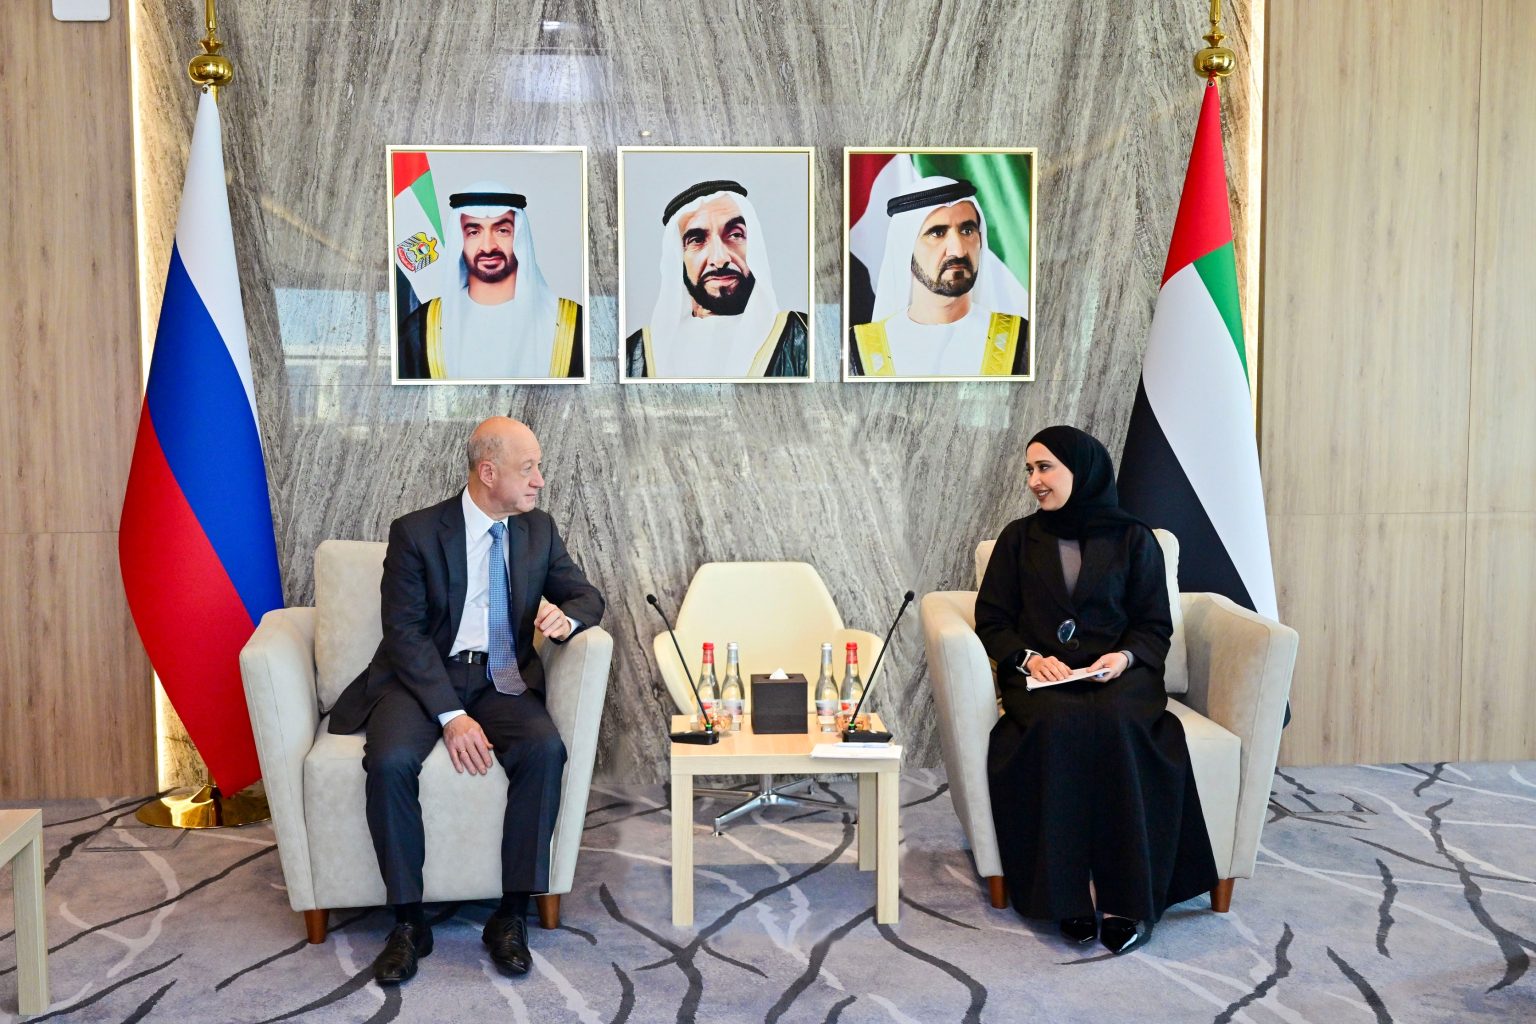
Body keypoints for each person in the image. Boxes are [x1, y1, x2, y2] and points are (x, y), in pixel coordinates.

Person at [327, 417, 605, 984]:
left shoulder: (537, 529)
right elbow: (404, 634)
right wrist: (452, 717)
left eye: (539, 468)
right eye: (529, 469)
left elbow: (586, 595)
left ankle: (511, 915)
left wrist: (567, 618)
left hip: (502, 675)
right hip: (421, 677)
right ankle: (409, 922)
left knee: (544, 750)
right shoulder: (416, 532)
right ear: (488, 472)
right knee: (389, 761)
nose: (540, 480)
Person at [975, 425, 1215, 954]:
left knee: (1118, 724)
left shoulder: (1134, 539)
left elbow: (1154, 625)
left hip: (1120, 675)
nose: (1034, 480)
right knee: (1056, 723)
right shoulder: (1018, 539)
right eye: (1030, 470)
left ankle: (1128, 899)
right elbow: (992, 620)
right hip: (1043, 678)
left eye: (1045, 467)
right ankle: (1066, 897)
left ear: (1081, 471)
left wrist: (1124, 657)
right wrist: (1030, 659)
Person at [398, 182, 584, 379]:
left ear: (519, 237)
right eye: (474, 232)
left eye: (502, 230)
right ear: (460, 240)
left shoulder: (572, 324)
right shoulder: (421, 328)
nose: (487, 247)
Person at [625, 179, 808, 378]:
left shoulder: (803, 336)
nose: (720, 259)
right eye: (697, 240)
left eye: (735, 235)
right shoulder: (636, 353)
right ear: (678, 259)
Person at [849, 176, 1028, 377]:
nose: (958, 251)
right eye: (937, 233)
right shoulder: (858, 351)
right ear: (905, 249)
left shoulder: (1021, 340)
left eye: (967, 230)